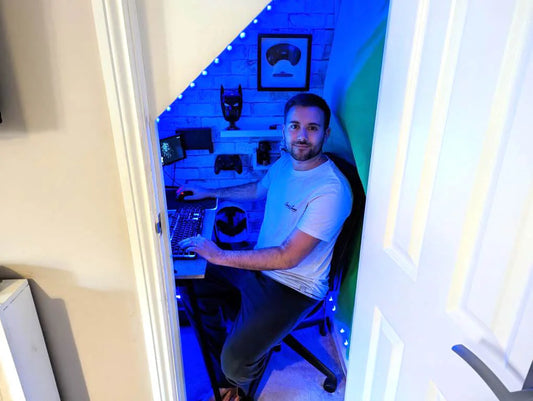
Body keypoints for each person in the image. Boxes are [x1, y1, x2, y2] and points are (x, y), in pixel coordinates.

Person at [178, 93, 352, 401]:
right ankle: (232, 361)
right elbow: (258, 188)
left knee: (235, 361)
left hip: (294, 286)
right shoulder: (286, 162)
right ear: (284, 130)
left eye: (312, 128)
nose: (302, 135)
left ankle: (238, 385)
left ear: (326, 133)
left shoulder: (331, 189)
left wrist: (221, 255)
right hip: (262, 266)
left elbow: (288, 257)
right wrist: (209, 191)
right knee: (195, 278)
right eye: (295, 126)